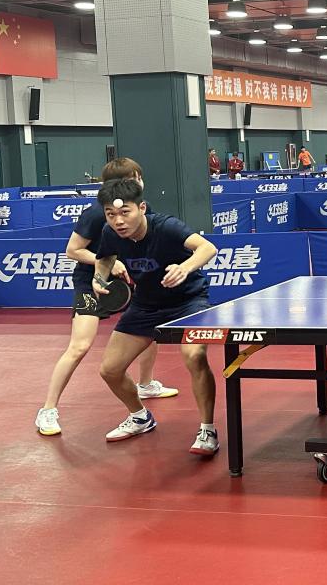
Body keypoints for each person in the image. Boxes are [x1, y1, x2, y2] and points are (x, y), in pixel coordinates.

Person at [35, 159, 178, 437]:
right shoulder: (96, 213)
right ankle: (48, 409)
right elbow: (73, 250)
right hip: (91, 283)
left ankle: (146, 384)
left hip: (127, 279)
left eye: (139, 177)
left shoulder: (140, 208)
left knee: (148, 332)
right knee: (79, 346)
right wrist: (107, 262)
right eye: (133, 178)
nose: (139, 182)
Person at [92, 178, 220, 454]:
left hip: (188, 301)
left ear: (141, 208)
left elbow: (207, 248)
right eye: (110, 214)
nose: (118, 221)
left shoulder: (166, 227)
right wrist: (98, 278)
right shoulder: (110, 233)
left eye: (125, 212)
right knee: (110, 370)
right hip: (146, 305)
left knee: (195, 356)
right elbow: (104, 258)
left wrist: (184, 268)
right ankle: (140, 417)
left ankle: (208, 429)